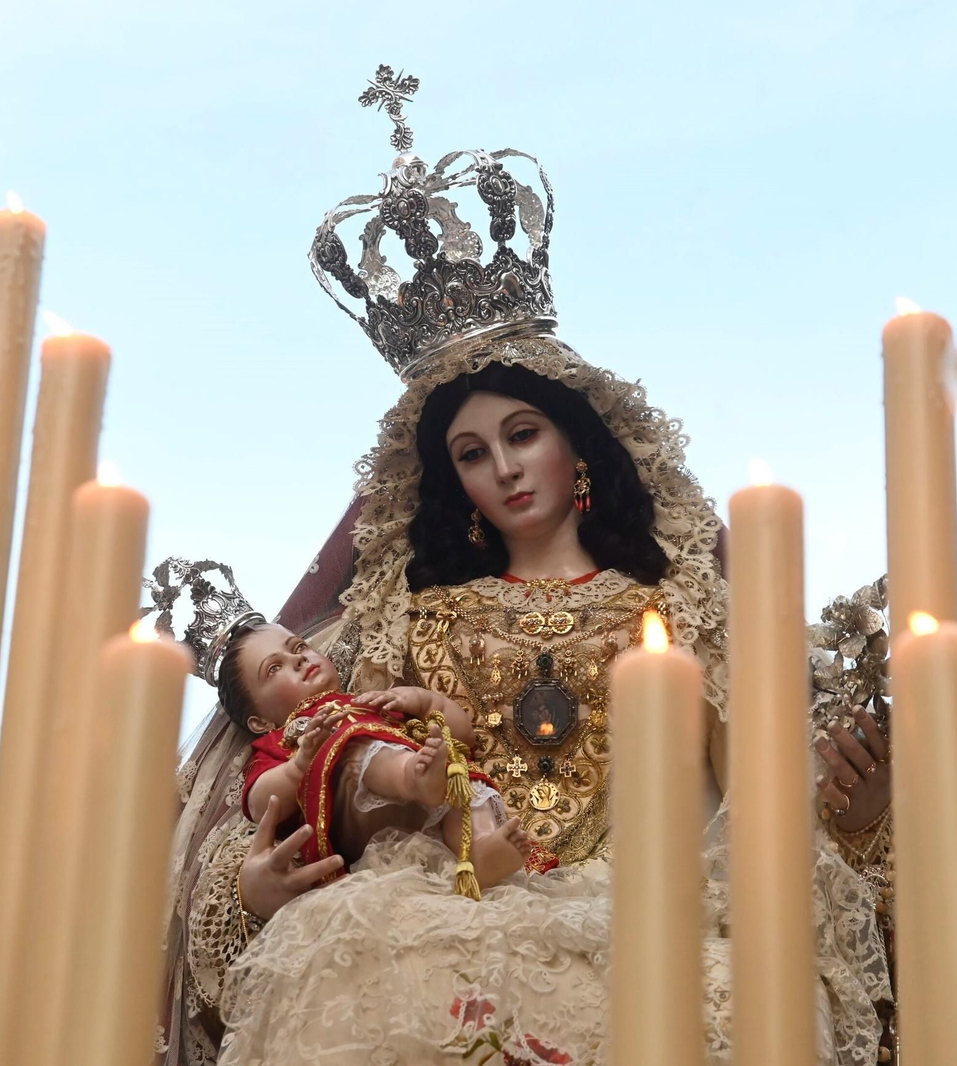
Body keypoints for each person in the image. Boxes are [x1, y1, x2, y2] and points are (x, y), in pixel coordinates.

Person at [157, 70, 895, 1066]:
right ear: (446, 479)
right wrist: (278, 874)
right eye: (471, 452)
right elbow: (339, 786)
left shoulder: (675, 611)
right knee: (354, 966)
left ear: (578, 444)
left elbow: (755, 809)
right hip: (446, 908)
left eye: (522, 433)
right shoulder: (406, 624)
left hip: (658, 921)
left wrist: (850, 808)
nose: (503, 467)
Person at [224, 615, 531, 894]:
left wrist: (424, 704)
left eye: (299, 646)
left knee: (461, 775)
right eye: (274, 668)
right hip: (360, 821)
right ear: (260, 722)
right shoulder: (281, 740)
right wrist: (298, 766)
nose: (299, 659)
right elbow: (260, 803)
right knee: (354, 744)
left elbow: (463, 736)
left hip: (429, 813)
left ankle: (479, 851)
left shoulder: (369, 702)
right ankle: (413, 776)